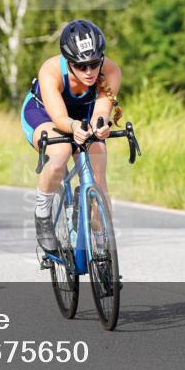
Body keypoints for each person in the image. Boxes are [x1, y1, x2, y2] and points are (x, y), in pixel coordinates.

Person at [20, 19, 122, 252]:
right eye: (81, 65)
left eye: (94, 64)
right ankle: (43, 214)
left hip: (82, 115)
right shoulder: (51, 70)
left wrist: (101, 125)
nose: (89, 72)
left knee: (98, 170)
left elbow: (101, 111)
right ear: (68, 61)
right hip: (45, 114)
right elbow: (59, 119)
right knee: (60, 152)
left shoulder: (111, 70)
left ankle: (101, 243)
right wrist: (74, 127)